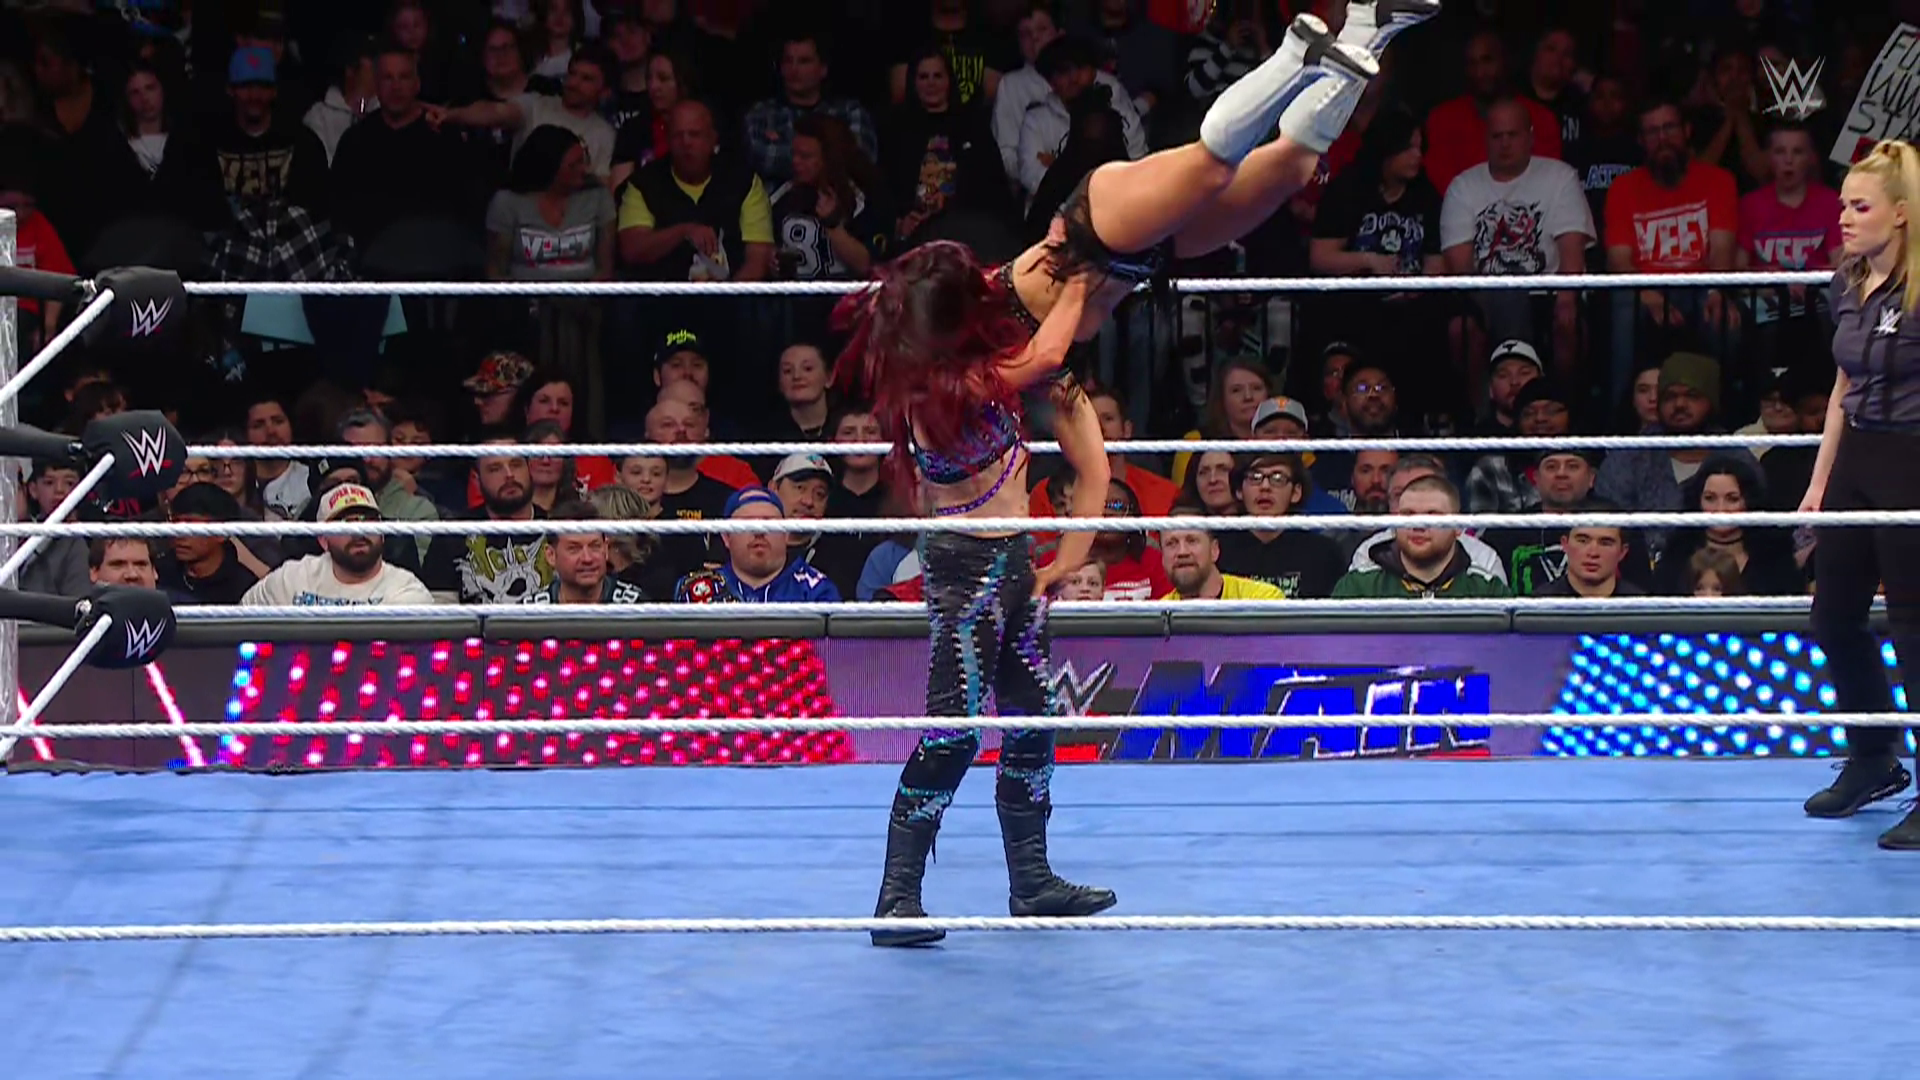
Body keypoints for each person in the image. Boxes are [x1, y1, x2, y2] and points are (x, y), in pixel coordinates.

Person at [835, 7, 1437, 949]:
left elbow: (1087, 452)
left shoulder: (1006, 341)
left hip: (1088, 282)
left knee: (1237, 166)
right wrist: (1078, 297)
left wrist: (1071, 545)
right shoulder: (945, 387)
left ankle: (1031, 881)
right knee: (960, 731)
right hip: (967, 570)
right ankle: (896, 898)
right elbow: (1043, 368)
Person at [1800, 140, 1920, 849]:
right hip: (1857, 459)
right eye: (1843, 204)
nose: (1844, 217)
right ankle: (1874, 757)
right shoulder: (1847, 282)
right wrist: (1820, 482)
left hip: (1913, 455)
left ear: (1901, 213)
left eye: (1860, 206)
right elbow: (1843, 387)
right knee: (1834, 616)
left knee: (1914, 628)